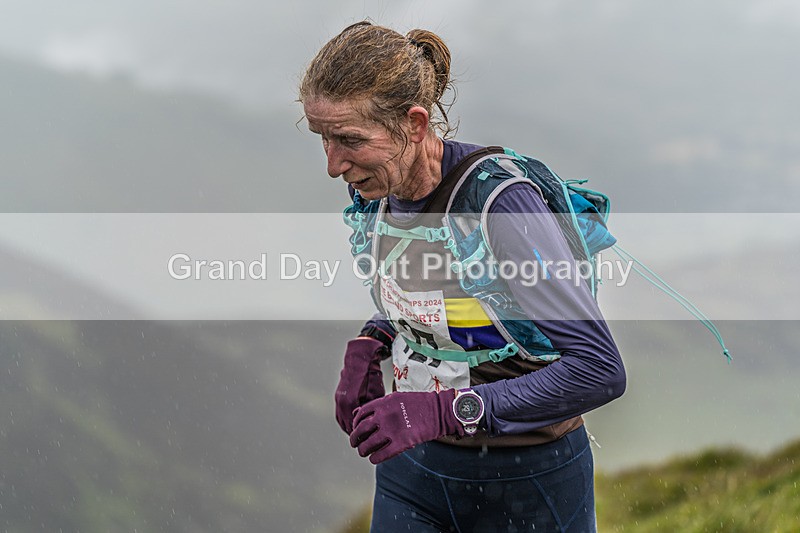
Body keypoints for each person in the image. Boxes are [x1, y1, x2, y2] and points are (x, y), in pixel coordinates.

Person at [299, 21, 626, 533]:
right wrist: (374, 338)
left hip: (529, 484)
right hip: (413, 474)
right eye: (322, 138)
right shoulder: (376, 188)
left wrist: (444, 412)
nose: (333, 165)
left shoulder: (501, 206)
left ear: (413, 123)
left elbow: (598, 370)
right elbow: (454, 294)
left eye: (349, 139)